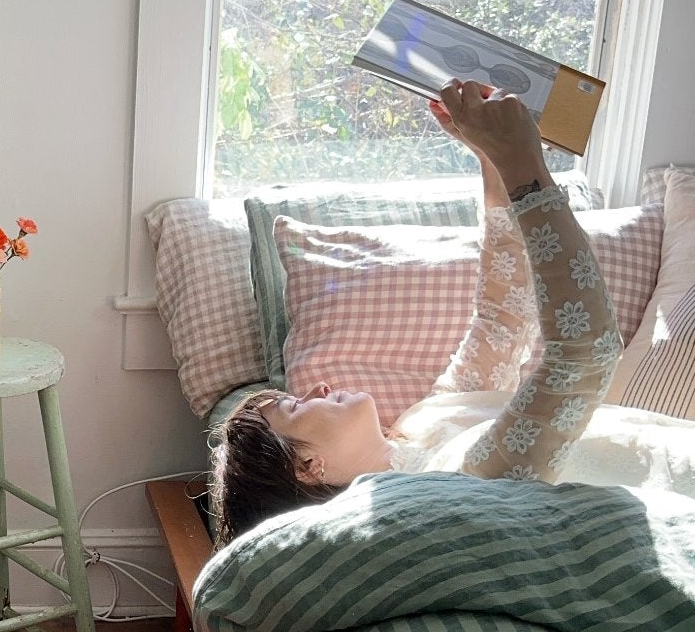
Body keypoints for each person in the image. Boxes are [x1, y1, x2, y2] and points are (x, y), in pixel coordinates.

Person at [209, 77, 695, 544]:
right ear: (308, 468)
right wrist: (526, 166)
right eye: (294, 406)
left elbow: (502, 320)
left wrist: (490, 158)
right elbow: (586, 355)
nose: (316, 388)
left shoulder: (421, 427)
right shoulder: (452, 492)